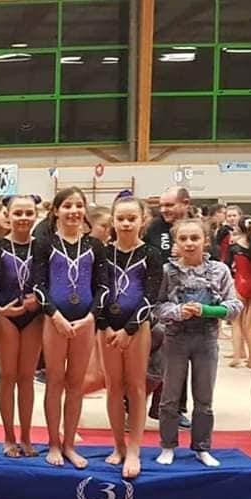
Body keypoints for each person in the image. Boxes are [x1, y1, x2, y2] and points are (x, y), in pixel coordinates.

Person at [155, 219, 242, 467]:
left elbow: (235, 306)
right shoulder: (167, 271)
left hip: (207, 339)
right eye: (183, 239)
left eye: (195, 238)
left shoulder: (220, 271)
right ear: (175, 242)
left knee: (204, 397)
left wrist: (208, 310)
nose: (189, 243)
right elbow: (157, 306)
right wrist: (177, 311)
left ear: (205, 241)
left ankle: (202, 447)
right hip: (176, 339)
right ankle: (167, 445)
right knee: (170, 396)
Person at [33, 187, 108, 469]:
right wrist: (55, 316)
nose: (73, 211)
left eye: (78, 205)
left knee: (76, 384)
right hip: (55, 321)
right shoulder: (45, 243)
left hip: (85, 321)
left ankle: (69, 446)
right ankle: (54, 442)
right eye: (67, 206)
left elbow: (102, 287)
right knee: (55, 382)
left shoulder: (94, 246)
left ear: (85, 210)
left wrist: (90, 317)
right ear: (56, 211)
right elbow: (38, 286)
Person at [97, 195, 162, 478]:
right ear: (112, 221)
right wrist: (105, 325)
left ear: (142, 221)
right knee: (113, 387)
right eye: (120, 218)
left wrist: (129, 329)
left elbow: (150, 296)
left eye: (131, 219)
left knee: (136, 387)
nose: (125, 224)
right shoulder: (102, 253)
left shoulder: (151, 254)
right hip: (107, 328)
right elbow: (98, 291)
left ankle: (134, 447)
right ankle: (119, 445)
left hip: (137, 326)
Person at [0, 194, 42, 458]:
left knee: (26, 377)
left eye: (28, 213)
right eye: (18, 213)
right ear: (7, 215)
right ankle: (9, 437)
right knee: (8, 375)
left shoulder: (43, 247)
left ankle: (27, 437)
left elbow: (49, 280)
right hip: (5, 315)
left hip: (34, 316)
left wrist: (40, 300)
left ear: (36, 215)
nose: (23, 218)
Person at [144, 187, 193, 428]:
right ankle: (134, 402)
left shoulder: (195, 229)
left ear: (186, 203)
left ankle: (174, 408)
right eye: (162, 205)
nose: (164, 210)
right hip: (157, 301)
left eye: (170, 205)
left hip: (188, 301)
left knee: (182, 357)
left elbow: (213, 259)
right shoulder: (154, 228)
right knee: (154, 355)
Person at [225, 215, 251, 369]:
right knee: (249, 324)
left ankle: (237, 356)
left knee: (236, 322)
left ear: (239, 227)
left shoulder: (234, 247)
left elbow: (228, 265)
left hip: (240, 283)